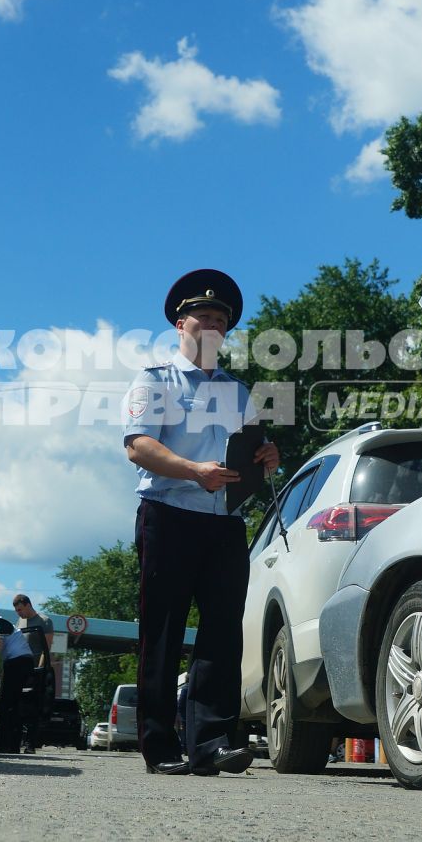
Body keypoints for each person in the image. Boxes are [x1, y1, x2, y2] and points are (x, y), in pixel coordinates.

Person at [122, 270, 280, 777]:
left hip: (224, 523)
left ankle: (211, 741)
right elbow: (138, 446)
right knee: (163, 631)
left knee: (222, 634)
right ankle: (160, 745)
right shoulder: (154, 380)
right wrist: (194, 471)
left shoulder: (239, 391)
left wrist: (267, 457)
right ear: (179, 324)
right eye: (203, 317)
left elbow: (249, 455)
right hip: (167, 517)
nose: (212, 324)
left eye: (221, 320)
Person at [0, 597, 49, 752]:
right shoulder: (19, 623)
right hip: (18, 664)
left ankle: (29, 743)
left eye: (20, 609)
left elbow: (46, 649)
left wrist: (39, 671)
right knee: (16, 703)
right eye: (16, 611)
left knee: (30, 706)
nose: (18, 613)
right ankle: (14, 742)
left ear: (28, 605)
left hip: (30, 667)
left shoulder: (44, 621)